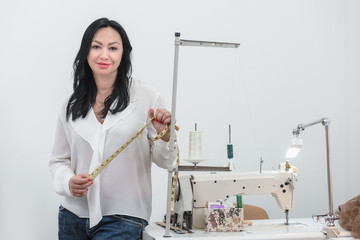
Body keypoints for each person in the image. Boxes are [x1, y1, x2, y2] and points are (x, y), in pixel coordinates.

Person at [49, 17, 176, 240]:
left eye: (113, 48)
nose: (104, 55)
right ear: (86, 52)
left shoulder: (146, 97)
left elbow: (166, 162)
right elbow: (59, 161)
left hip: (124, 218)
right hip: (73, 217)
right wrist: (68, 182)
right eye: (96, 46)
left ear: (123, 54)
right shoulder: (71, 104)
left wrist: (165, 136)